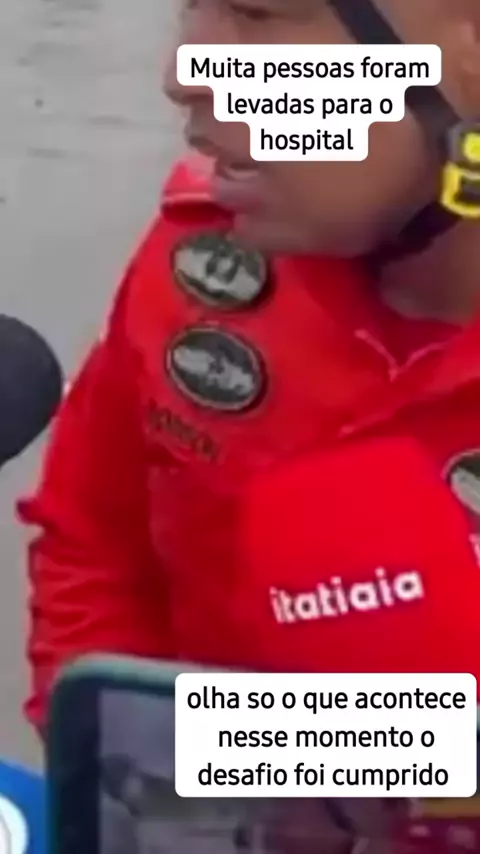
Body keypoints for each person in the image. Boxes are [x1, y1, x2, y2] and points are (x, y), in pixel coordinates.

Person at [20, 0, 480, 804]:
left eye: (262, 15)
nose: (182, 73)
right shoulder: (202, 260)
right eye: (192, 8)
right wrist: (141, 785)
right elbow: (93, 545)